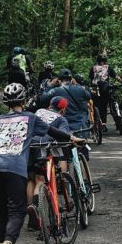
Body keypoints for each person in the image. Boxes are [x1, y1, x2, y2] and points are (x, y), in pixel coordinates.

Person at [0, 83, 82, 244]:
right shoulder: (30, 118)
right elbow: (51, 132)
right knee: (17, 211)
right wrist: (72, 138)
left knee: (0, 213)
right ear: (23, 100)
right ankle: (8, 243)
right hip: (15, 167)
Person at [26, 96, 72, 230]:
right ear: (62, 109)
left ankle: (31, 213)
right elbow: (63, 136)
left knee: (31, 179)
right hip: (42, 147)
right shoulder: (61, 119)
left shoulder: (39, 112)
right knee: (40, 180)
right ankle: (36, 211)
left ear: (50, 106)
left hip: (29, 146)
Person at [38, 69, 93, 135]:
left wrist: (50, 85)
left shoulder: (55, 91)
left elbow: (42, 99)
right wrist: (77, 84)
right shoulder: (80, 89)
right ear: (71, 80)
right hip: (80, 127)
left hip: (62, 127)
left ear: (59, 80)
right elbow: (89, 96)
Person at [89, 54, 118, 130]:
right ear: (105, 61)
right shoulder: (108, 67)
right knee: (104, 107)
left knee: (96, 106)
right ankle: (103, 124)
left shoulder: (93, 68)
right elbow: (116, 76)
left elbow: (91, 79)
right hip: (105, 90)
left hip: (95, 90)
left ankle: (96, 123)